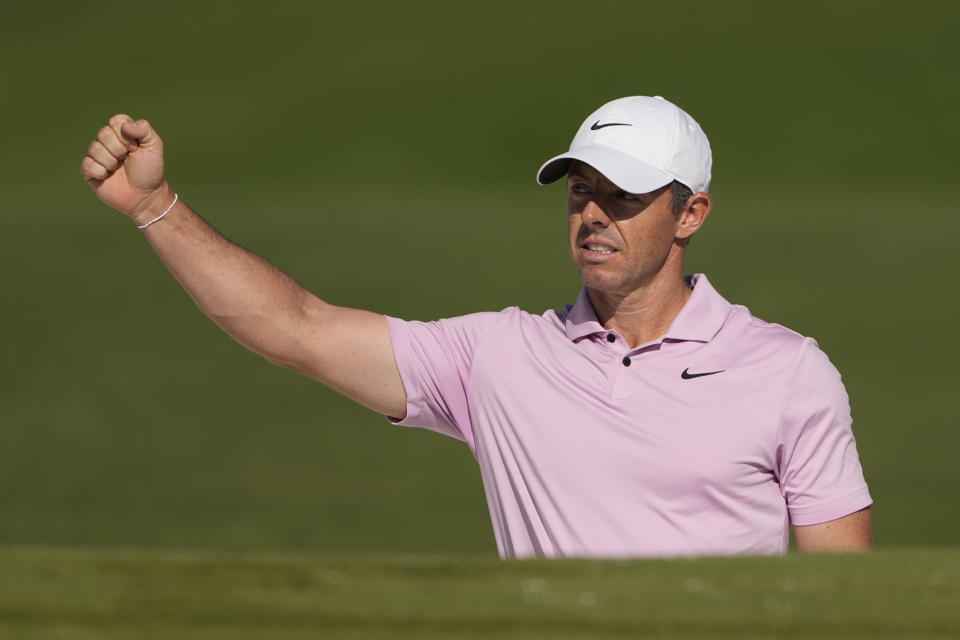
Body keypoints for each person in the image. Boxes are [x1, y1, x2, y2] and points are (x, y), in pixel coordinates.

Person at [80, 95, 872, 558]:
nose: (593, 215)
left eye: (623, 196)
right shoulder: (501, 356)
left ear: (689, 212)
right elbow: (298, 327)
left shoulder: (787, 371)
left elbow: (845, 606)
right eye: (579, 191)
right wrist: (156, 208)